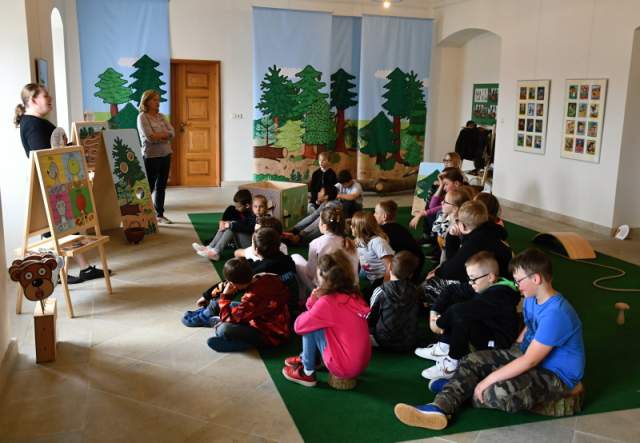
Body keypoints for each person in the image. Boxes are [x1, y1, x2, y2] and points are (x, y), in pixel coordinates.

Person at [394, 248, 584, 431]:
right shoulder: (532, 298)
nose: (516, 285)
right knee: (472, 360)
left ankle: (461, 390)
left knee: (499, 391)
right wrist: (517, 344)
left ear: (536, 278)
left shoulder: (556, 314)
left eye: (519, 280)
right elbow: (531, 325)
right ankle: (439, 407)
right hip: (527, 353)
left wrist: (489, 380)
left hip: (555, 375)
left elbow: (530, 361)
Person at [14, 83, 106, 284]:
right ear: (33, 100)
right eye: (46, 96)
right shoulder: (33, 125)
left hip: (51, 186)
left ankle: (78, 269)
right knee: (57, 230)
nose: (51, 99)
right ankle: (55, 273)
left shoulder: (35, 122)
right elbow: (45, 158)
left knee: (62, 228)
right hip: (48, 186)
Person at [417, 251, 521, 380]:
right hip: (486, 327)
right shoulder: (483, 284)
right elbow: (451, 290)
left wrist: (438, 324)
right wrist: (435, 311)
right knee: (456, 300)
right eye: (469, 278)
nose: (471, 283)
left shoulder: (500, 295)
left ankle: (452, 364)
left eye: (473, 279)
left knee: (461, 317)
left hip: (498, 343)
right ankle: (444, 347)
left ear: (490, 277)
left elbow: (458, 311)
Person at [282, 250, 371, 387]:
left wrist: (312, 301)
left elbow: (299, 326)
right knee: (315, 322)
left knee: (309, 326)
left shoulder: (327, 302)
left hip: (344, 367)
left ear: (324, 278)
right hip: (361, 362)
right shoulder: (354, 295)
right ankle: (311, 358)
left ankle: (307, 372)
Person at [422, 200, 512, 305]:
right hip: (500, 282)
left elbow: (451, 270)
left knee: (431, 285)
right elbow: (457, 260)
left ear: (463, 226)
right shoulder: (490, 230)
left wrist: (437, 272)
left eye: (457, 221)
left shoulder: (476, 241)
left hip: (492, 290)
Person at [192, 258, 291, 353]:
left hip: (270, 334)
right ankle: (207, 316)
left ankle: (244, 343)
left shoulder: (251, 297)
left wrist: (225, 296)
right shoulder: (266, 276)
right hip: (272, 320)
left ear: (232, 283)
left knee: (224, 329)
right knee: (224, 304)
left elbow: (228, 319)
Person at [291, 205, 358, 292]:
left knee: (295, 257)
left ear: (324, 226)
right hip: (351, 289)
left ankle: (303, 296)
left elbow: (310, 273)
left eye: (319, 220)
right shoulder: (351, 243)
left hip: (327, 290)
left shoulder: (316, 243)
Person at [369, 251, 421, 352]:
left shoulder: (380, 290)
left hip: (382, 341)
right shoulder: (415, 291)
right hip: (409, 341)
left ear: (389, 267)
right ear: (411, 275)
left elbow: (370, 316)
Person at [137, 89, 175, 224]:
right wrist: (164, 135)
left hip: (166, 154)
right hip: (151, 156)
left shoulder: (162, 116)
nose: (158, 103)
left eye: (158, 100)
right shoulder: (142, 117)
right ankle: (141, 213)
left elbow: (172, 132)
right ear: (147, 101)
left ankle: (160, 215)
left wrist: (161, 135)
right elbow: (150, 137)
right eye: (154, 100)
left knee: (161, 186)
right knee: (149, 186)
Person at [193, 194, 268, 261]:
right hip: (248, 242)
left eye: (261, 207)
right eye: (255, 206)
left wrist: (231, 225)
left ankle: (215, 251)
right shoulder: (252, 216)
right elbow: (242, 222)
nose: (258, 209)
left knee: (233, 228)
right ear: (252, 207)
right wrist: (229, 223)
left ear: (266, 208)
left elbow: (249, 228)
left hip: (253, 246)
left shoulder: (266, 219)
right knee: (231, 224)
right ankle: (210, 247)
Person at [374, 200, 425, 283]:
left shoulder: (382, 232)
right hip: (418, 263)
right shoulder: (401, 228)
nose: (374, 215)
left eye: (376, 213)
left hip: (406, 267)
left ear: (384, 216)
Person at [410, 167, 465, 240]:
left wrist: (422, 213)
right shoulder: (452, 192)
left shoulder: (461, 195)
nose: (444, 188)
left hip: (454, 229)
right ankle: (430, 237)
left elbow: (439, 207)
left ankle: (432, 238)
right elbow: (432, 206)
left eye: (446, 184)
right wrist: (441, 185)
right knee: (432, 209)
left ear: (456, 183)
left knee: (437, 213)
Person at [351, 211, 394, 300]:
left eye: (353, 225)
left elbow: (390, 266)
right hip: (372, 276)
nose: (351, 227)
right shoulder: (359, 241)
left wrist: (384, 288)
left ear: (361, 228)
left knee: (368, 299)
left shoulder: (377, 242)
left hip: (382, 278)